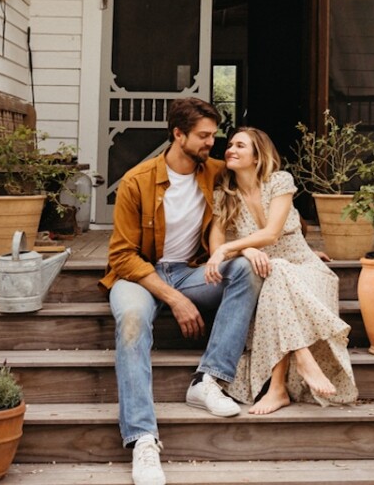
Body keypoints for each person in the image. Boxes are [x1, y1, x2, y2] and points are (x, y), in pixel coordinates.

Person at [99, 98, 263, 485]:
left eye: (213, 135)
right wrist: (174, 299)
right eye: (204, 136)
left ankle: (208, 381)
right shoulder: (137, 181)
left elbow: (266, 189)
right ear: (178, 135)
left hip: (190, 272)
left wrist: (287, 241)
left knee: (244, 270)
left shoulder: (217, 173)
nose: (213, 143)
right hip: (137, 277)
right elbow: (122, 256)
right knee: (134, 320)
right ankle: (142, 439)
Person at [205, 127, 358, 415]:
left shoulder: (279, 181)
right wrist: (244, 250)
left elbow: (272, 234)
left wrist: (230, 248)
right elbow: (216, 239)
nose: (230, 150)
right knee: (275, 270)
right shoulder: (225, 194)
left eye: (240, 146)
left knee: (278, 269)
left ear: (257, 156)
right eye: (230, 145)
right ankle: (299, 361)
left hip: (305, 269)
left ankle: (280, 386)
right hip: (270, 275)